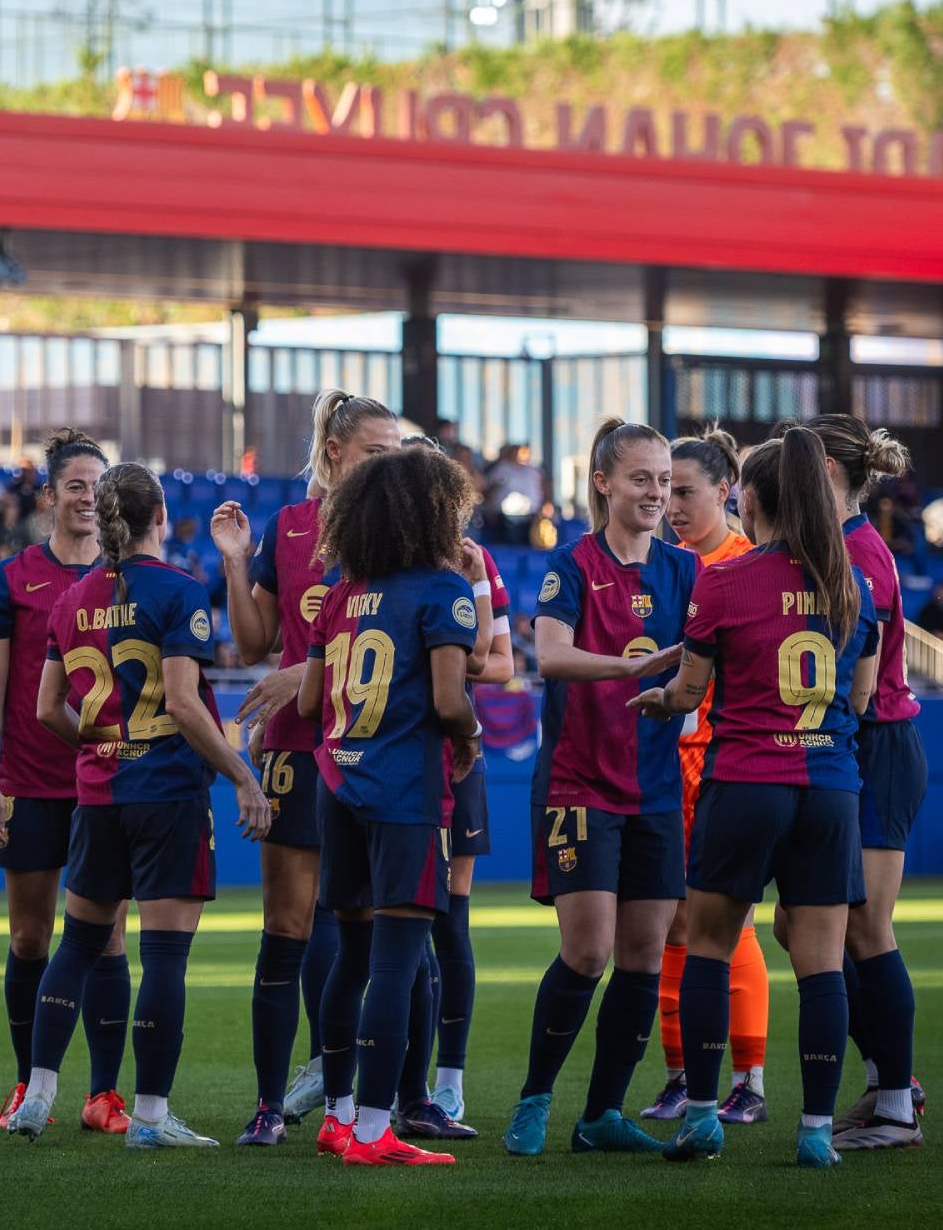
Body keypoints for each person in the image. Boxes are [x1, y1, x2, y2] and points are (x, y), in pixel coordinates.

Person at [630, 425, 880, 1169]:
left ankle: (704, 1115)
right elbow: (861, 701)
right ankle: (812, 1133)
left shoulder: (725, 581)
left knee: (707, 944)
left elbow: (690, 692)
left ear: (753, 500)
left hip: (744, 783)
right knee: (823, 964)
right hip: (830, 789)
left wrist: (657, 698)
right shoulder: (850, 583)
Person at [8, 464, 268, 1148]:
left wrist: (101, 743)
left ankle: (35, 1097)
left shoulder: (71, 600)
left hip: (97, 795)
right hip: (168, 794)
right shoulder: (180, 592)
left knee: (78, 947)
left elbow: (45, 709)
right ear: (159, 516)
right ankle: (149, 1117)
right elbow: (183, 702)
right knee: (166, 958)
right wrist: (243, 776)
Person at [209, 387, 402, 1142]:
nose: (387, 467)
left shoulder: (403, 534)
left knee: (368, 932)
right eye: (374, 454)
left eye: (395, 454)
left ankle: (354, 1103)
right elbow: (255, 644)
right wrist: (234, 565)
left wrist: (305, 673)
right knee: (285, 928)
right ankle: (267, 1105)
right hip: (297, 747)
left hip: (374, 744)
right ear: (334, 454)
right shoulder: (290, 528)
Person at [503, 417, 695, 1159]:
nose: (655, 494)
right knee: (588, 953)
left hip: (652, 787)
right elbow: (549, 657)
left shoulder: (683, 571)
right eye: (641, 479)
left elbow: (707, 663)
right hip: (580, 783)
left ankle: (602, 1116)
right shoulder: (571, 563)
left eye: (665, 482)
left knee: (645, 956)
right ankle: (534, 1098)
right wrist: (635, 670)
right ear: (604, 482)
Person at [294, 447, 483, 1166]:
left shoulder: (342, 593)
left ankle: (339, 1115)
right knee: (399, 962)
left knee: (350, 954)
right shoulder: (443, 589)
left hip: (337, 784)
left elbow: (311, 701)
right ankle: (376, 1133)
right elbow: (447, 699)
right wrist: (465, 736)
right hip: (404, 793)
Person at [0, 430, 129, 1135]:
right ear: (50, 496)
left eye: (98, 485)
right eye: (75, 484)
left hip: (106, 781)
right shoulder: (11, 579)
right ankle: (26, 1083)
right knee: (31, 938)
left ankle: (104, 1095)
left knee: (108, 940)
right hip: (29, 781)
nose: (88, 497)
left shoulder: (128, 577)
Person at [800, 411, 930, 1152]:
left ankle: (895, 1103)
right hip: (854, 747)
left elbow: (863, 680)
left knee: (861, 928)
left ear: (824, 472)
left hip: (875, 744)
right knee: (803, 928)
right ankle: (889, 1081)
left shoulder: (862, 554)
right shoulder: (838, 545)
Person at [645, 427, 772, 1127]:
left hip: (727, 764)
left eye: (684, 491)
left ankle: (748, 1080)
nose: (672, 506)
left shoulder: (746, 565)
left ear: (727, 492)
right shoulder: (663, 565)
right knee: (671, 923)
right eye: (665, 491)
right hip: (667, 764)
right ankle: (680, 1076)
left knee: (730, 921)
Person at [397, 434, 516, 1136]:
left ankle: (448, 1082)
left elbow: (497, 664)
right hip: (395, 761)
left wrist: (471, 585)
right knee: (388, 931)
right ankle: (372, 1084)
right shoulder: (374, 561)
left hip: (454, 755)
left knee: (451, 924)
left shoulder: (475, 563)